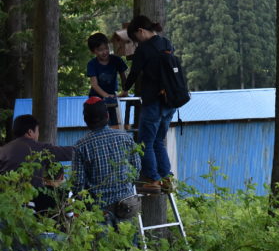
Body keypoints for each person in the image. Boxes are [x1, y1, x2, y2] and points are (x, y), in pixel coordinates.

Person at [122, 15, 176, 194]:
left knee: (146, 142)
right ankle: (166, 179)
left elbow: (134, 72)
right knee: (158, 140)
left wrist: (124, 89)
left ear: (141, 31)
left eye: (135, 38)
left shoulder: (144, 49)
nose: (136, 42)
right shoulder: (167, 43)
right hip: (170, 101)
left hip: (153, 102)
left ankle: (152, 180)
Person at [72, 97, 141, 227]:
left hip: (100, 210)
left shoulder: (81, 146)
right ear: (108, 116)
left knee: (103, 246)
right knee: (131, 245)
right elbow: (136, 169)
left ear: (86, 120)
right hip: (127, 204)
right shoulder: (125, 137)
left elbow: (78, 184)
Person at [0, 115, 74, 214]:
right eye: (37, 130)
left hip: (6, 206)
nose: (38, 134)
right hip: (30, 208)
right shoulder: (39, 148)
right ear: (30, 132)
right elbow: (67, 153)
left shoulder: (3, 151)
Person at [86, 32, 128, 126]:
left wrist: (125, 90)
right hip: (96, 98)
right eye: (100, 50)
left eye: (106, 48)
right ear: (93, 51)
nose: (105, 52)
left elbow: (123, 76)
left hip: (112, 97)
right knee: (99, 123)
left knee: (115, 123)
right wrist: (106, 95)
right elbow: (94, 84)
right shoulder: (92, 64)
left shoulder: (116, 60)